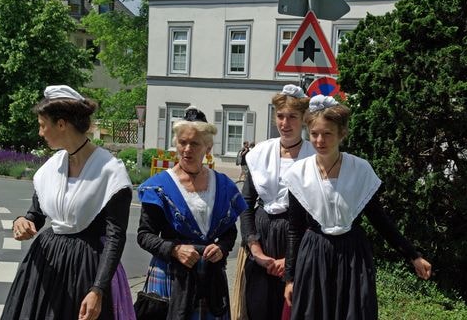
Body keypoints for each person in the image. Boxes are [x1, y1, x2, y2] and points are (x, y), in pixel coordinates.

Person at [283, 95, 432, 319]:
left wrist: (413, 255)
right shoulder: (298, 174)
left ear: (342, 134)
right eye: (314, 134)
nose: (320, 140)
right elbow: (294, 229)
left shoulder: (360, 170)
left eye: (327, 134)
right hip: (314, 256)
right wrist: (290, 277)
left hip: (352, 257)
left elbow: (379, 219)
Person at [2, 85, 135, 320]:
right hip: (46, 267)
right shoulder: (52, 167)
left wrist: (98, 290)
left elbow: (115, 237)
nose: (40, 133)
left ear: (61, 124)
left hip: (86, 268)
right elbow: (37, 212)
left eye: (43, 125)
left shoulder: (110, 172)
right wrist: (23, 221)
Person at [137, 106, 247, 320]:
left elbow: (229, 232)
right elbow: (144, 235)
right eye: (182, 142)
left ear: (208, 147)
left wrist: (222, 247)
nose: (187, 149)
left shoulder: (222, 185)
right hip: (170, 275)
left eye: (194, 143)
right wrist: (175, 250)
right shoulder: (159, 186)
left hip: (210, 277)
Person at [238, 84, 316, 320]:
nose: (285, 123)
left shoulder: (314, 156)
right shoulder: (260, 153)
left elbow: (316, 214)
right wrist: (254, 248)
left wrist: (290, 261)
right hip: (261, 239)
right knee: (258, 308)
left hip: (297, 239)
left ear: (303, 119)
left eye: (292, 117)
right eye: (280, 116)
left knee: (289, 310)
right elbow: (246, 202)